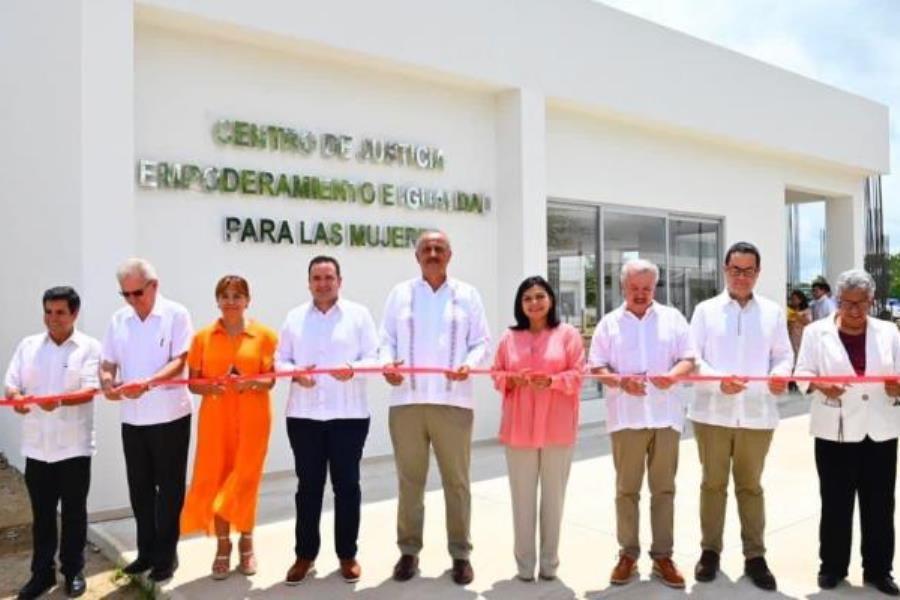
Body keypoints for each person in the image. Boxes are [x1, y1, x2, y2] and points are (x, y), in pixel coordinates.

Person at [380, 230, 491, 585]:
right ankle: (408, 552)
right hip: (407, 401)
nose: (432, 253)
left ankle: (460, 554)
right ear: (417, 256)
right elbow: (385, 340)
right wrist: (388, 366)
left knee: (456, 482)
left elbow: (482, 342)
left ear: (449, 255)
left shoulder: (467, 294)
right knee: (410, 481)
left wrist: (469, 365)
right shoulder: (400, 294)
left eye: (439, 248)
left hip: (453, 402)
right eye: (426, 248)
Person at [689, 241, 794, 591]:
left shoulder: (772, 312)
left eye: (749, 270)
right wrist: (719, 382)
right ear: (724, 270)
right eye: (736, 270)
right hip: (712, 414)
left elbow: (783, 355)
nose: (742, 277)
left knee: (750, 487)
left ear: (758, 273)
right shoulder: (705, 311)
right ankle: (710, 552)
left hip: (756, 413)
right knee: (712, 485)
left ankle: (755, 556)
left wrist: (780, 375)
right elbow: (693, 359)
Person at [589, 259, 695, 588]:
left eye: (646, 288)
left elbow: (689, 358)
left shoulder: (673, 318)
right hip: (626, 418)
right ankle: (628, 555)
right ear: (623, 287)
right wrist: (621, 382)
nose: (640, 294)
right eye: (634, 288)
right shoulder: (609, 324)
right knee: (627, 491)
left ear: (655, 288)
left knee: (663, 490)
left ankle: (663, 555)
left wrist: (672, 376)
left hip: (665, 417)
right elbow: (597, 367)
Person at [794, 269, 900, 596]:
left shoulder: (890, 331)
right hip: (834, 430)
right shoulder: (815, 332)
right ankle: (833, 567)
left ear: (871, 301)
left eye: (862, 303)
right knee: (836, 502)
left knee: (880, 504)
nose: (854, 311)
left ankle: (879, 570)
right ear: (837, 301)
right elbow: (802, 373)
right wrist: (820, 384)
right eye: (848, 303)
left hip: (880, 429)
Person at [277, 256, 379, 585]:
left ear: (340, 280)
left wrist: (354, 369)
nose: (323, 283)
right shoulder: (294, 318)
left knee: (347, 487)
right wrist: (294, 375)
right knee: (308, 489)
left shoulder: (359, 315)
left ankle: (347, 554)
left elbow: (374, 357)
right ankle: (305, 554)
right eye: (317, 278)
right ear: (309, 282)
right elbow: (280, 359)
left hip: (348, 417)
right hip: (304, 417)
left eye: (329, 277)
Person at [99, 258, 193, 583]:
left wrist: (149, 383)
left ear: (154, 285)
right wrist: (107, 381)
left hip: (170, 415)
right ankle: (146, 552)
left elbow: (180, 361)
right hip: (133, 417)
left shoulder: (176, 314)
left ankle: (166, 557)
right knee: (140, 489)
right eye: (125, 294)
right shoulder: (119, 319)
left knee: (168, 490)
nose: (132, 300)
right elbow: (107, 361)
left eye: (137, 292)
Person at [4, 287, 100, 600]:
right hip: (37, 448)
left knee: (74, 513)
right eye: (48, 311)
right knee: (42, 514)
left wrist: (57, 400)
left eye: (60, 312)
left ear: (75, 313)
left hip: (73, 447)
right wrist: (17, 400)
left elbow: (89, 390)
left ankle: (73, 571)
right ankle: (41, 574)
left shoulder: (88, 347)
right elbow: (12, 385)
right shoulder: (29, 346)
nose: (52, 319)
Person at [180, 275, 277, 580]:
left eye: (238, 296)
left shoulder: (265, 336)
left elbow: (271, 378)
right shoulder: (202, 338)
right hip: (215, 420)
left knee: (245, 480)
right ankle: (223, 546)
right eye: (225, 296)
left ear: (248, 300)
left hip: (254, 419)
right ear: (217, 301)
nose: (231, 301)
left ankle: (247, 543)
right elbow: (193, 382)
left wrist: (250, 381)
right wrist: (212, 388)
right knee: (216, 480)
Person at [491, 276, 584, 583]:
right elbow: (496, 373)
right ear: (520, 304)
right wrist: (511, 379)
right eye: (527, 298)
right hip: (519, 429)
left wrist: (553, 381)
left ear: (551, 299)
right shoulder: (509, 337)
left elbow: (578, 374)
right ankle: (524, 566)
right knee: (522, 500)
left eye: (540, 296)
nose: (534, 302)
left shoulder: (568, 334)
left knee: (553, 500)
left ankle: (549, 564)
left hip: (557, 428)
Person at [787, 289, 812, 357]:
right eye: (791, 299)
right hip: (791, 336)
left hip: (801, 336)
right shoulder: (789, 310)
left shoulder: (807, 311)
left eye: (794, 299)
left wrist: (797, 315)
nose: (792, 301)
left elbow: (809, 323)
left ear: (800, 300)